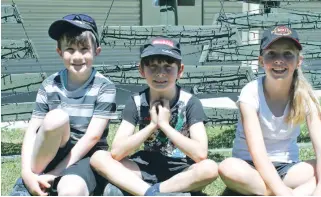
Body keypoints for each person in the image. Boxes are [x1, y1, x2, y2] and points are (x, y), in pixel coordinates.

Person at [218, 25, 321, 196]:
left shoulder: (306, 97)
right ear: (260, 60)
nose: (279, 60)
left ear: (298, 61)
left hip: (289, 170)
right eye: (271, 53)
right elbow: (257, 152)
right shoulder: (250, 93)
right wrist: (283, 193)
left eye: (288, 54)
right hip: (251, 167)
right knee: (227, 167)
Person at [90, 37, 218, 196]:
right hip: (144, 167)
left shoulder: (190, 102)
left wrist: (165, 125)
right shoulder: (136, 102)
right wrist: (152, 125)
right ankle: (156, 193)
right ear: (142, 70)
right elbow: (117, 151)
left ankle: (154, 191)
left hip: (180, 170)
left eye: (168, 67)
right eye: (153, 66)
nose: (160, 73)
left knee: (210, 168)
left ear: (180, 70)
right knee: (99, 157)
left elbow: (200, 153)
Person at [10, 14, 117, 196]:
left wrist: (55, 173)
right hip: (50, 154)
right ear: (60, 52)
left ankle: (50, 180)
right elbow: (32, 131)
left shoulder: (104, 87)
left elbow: (92, 137)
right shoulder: (50, 84)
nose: (77, 56)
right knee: (56, 118)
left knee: (70, 191)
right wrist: (26, 172)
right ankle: (31, 181)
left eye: (84, 49)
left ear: (96, 51)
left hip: (85, 157)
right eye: (70, 49)